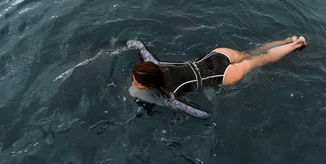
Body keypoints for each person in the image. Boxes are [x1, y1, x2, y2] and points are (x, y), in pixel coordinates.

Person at [127, 36, 307, 118]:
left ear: (150, 84)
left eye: (137, 81)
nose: (134, 82)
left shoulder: (170, 95)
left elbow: (201, 113)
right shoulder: (156, 65)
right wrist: (128, 44)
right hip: (217, 55)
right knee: (253, 53)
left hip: (223, 75)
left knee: (261, 60)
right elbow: (140, 46)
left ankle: (296, 44)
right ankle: (288, 40)